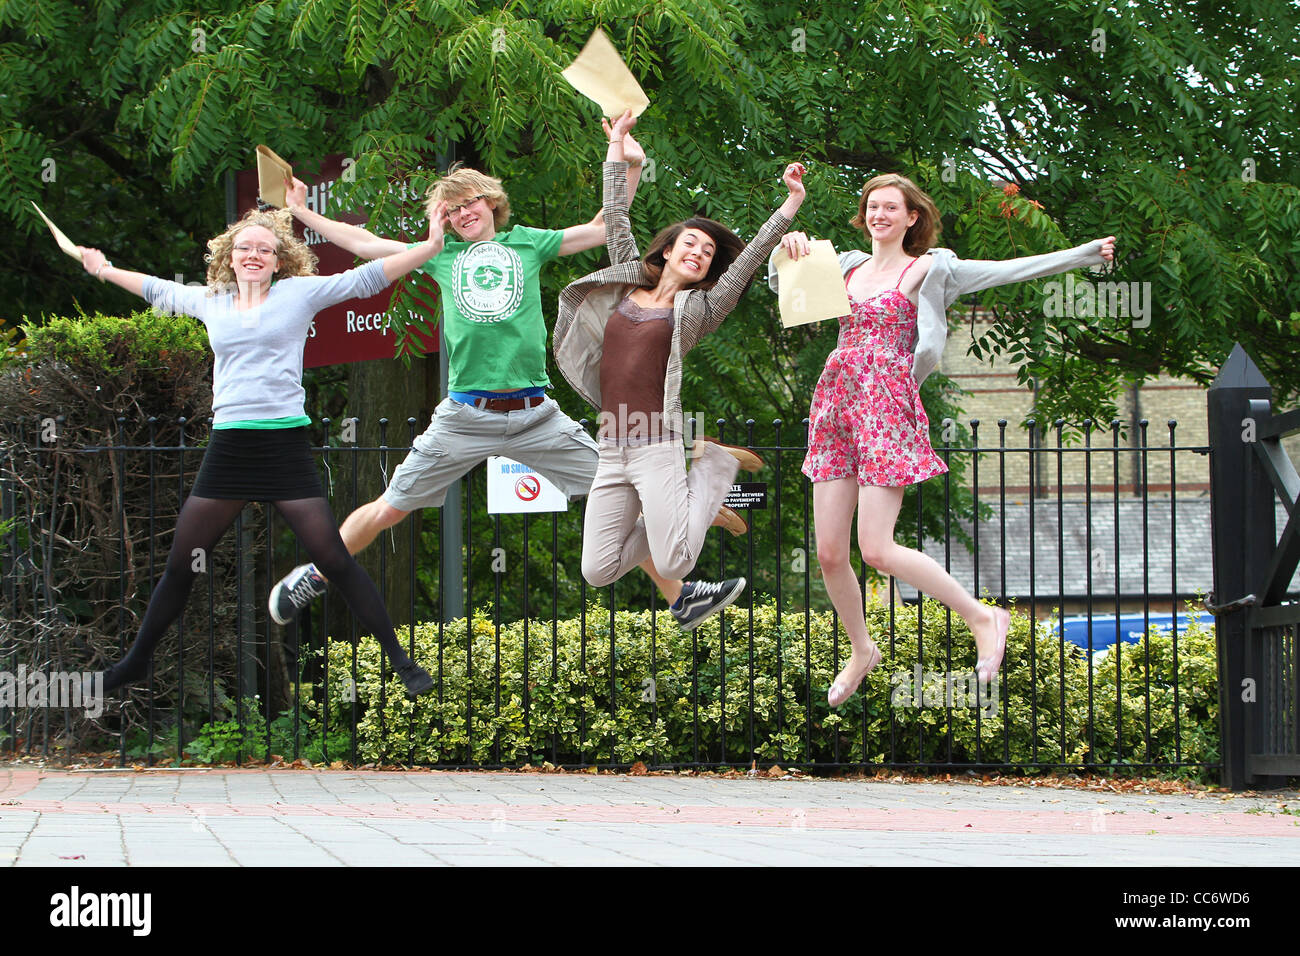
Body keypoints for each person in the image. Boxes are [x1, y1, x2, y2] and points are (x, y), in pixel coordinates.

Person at [269, 113, 745, 631]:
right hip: (465, 414)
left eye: (469, 202)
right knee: (392, 506)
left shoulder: (527, 243)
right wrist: (301, 212)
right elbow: (363, 244)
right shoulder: (438, 256)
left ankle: (682, 598)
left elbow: (606, 227)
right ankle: (315, 573)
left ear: (490, 202)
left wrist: (628, 165)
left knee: (630, 499)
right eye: (451, 210)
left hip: (536, 415)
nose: (462, 213)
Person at [772, 173, 1116, 705]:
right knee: (830, 553)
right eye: (872, 207)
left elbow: (1006, 272)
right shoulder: (844, 266)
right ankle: (862, 649)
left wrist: (1085, 254)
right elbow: (781, 288)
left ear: (912, 218)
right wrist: (786, 250)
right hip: (836, 402)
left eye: (891, 207)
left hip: (886, 405)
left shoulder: (929, 268)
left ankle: (983, 617)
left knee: (877, 549)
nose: (879, 214)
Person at [77, 208, 442, 696]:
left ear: (278, 261)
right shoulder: (213, 301)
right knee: (183, 563)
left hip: (283, 445)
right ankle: (136, 662)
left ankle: (399, 661)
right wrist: (102, 269)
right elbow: (157, 289)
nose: (253, 255)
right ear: (229, 257)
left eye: (264, 250)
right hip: (230, 446)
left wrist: (431, 246)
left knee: (334, 558)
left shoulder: (298, 294)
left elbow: (367, 277)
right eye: (244, 248)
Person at [553, 112, 806, 616]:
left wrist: (791, 204)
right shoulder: (628, 280)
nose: (699, 252)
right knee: (597, 569)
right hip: (610, 445)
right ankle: (685, 510)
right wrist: (618, 146)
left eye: (709, 252)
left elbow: (750, 258)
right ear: (668, 250)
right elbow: (616, 213)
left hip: (656, 444)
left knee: (676, 564)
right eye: (690, 242)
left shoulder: (697, 313)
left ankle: (714, 468)